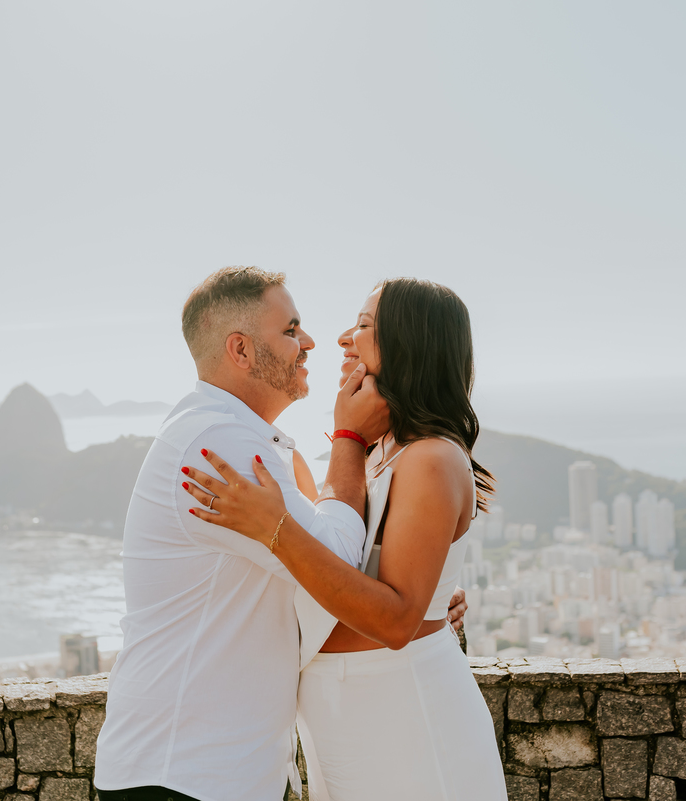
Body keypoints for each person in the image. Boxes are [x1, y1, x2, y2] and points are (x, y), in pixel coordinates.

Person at [93, 267, 466, 801]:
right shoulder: (218, 443)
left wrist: (428, 594)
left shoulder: (257, 443)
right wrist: (348, 436)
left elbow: (325, 563)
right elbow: (332, 548)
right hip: (184, 774)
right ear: (241, 351)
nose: (312, 342)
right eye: (291, 330)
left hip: (210, 771)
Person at [180, 278, 507, 800]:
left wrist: (276, 530)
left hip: (402, 710)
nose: (341, 339)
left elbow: (398, 620)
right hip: (346, 715)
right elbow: (342, 565)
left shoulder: (431, 459)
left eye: (363, 325)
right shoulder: (380, 453)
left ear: (410, 340)